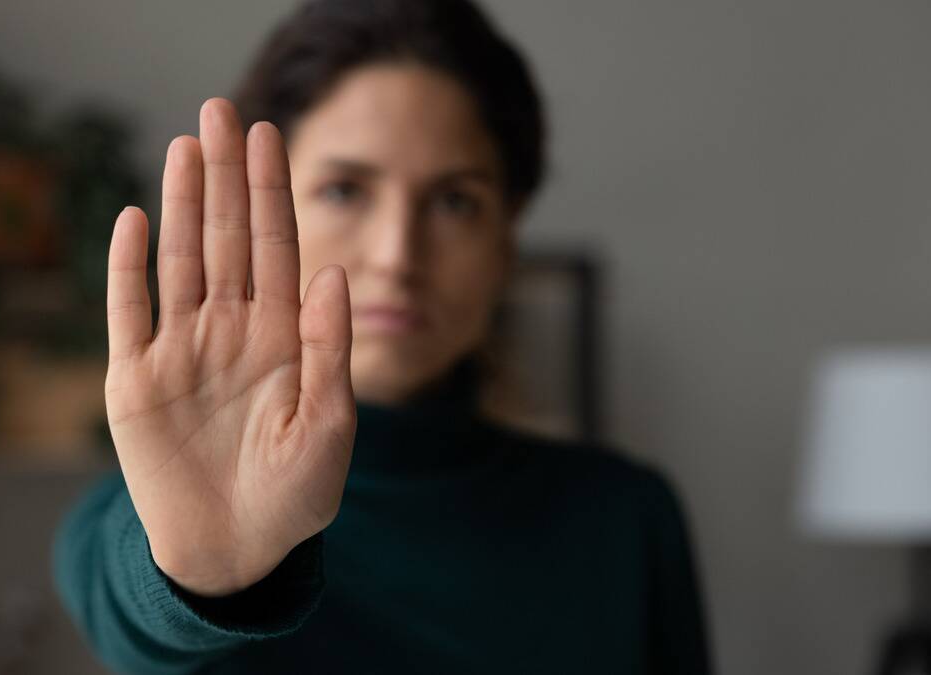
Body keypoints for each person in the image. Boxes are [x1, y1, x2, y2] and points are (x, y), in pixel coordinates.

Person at [52, 0, 713, 672]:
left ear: (506, 239)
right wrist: (202, 573)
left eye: (455, 200)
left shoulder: (625, 521)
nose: (398, 254)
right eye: (344, 190)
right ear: (260, 211)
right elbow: (134, 612)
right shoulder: (144, 515)